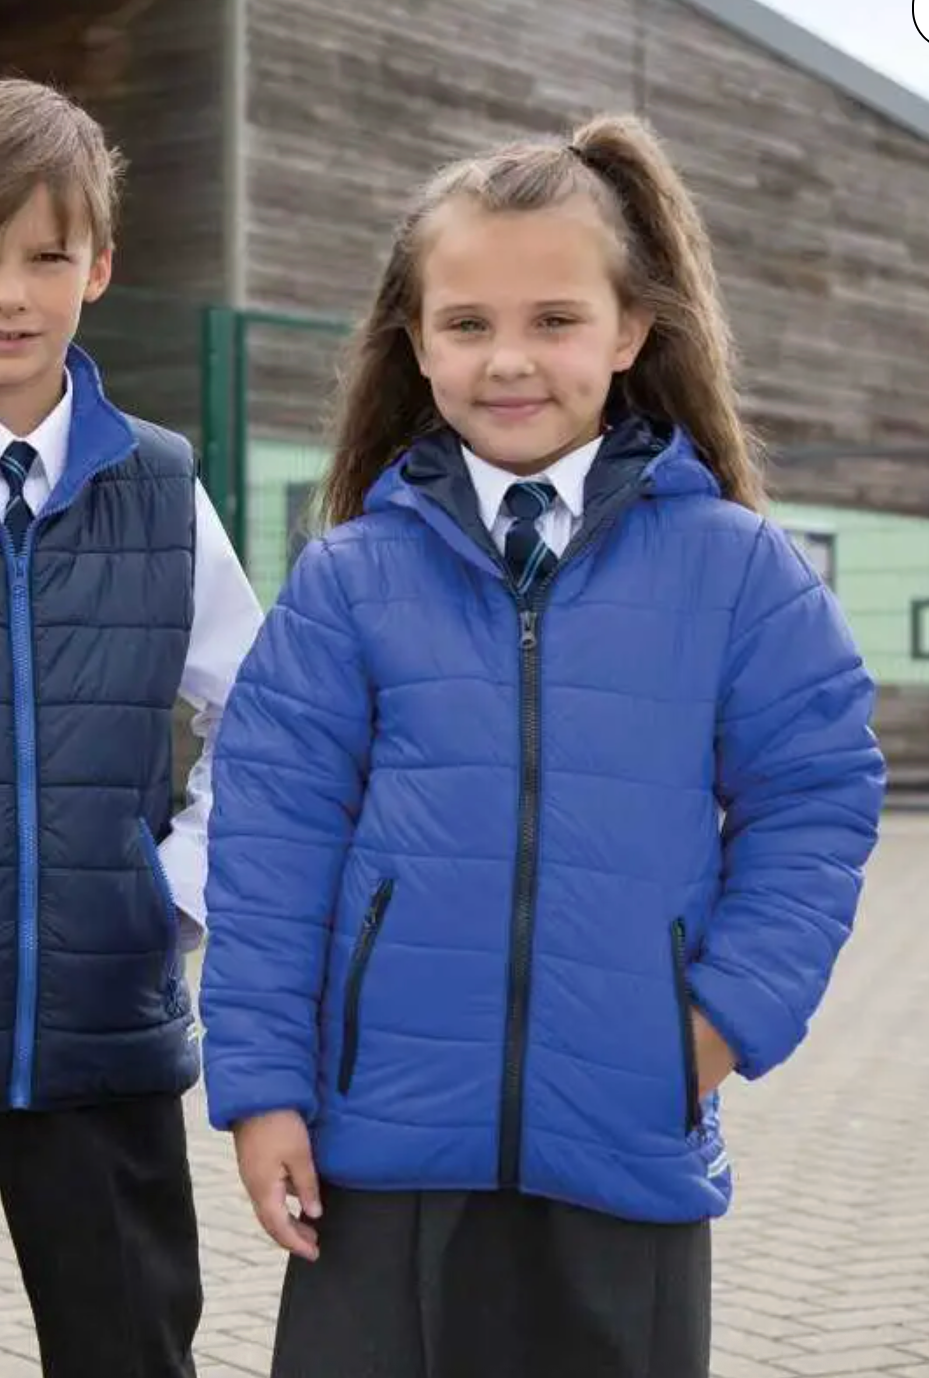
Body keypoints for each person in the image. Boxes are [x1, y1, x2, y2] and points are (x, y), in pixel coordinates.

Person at [200, 114, 885, 1378]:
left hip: (623, 1148)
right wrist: (264, 1086)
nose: (508, 359)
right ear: (417, 342)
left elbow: (817, 798)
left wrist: (719, 1022)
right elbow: (270, 843)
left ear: (630, 331)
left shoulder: (739, 570)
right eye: (466, 323)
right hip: (384, 1152)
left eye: (555, 319)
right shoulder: (348, 580)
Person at [0, 78, 263, 1378]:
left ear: (100, 267)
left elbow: (261, 715)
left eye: (47, 257)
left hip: (107, 1043)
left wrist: (178, 885)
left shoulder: (162, 489)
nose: (8, 294)